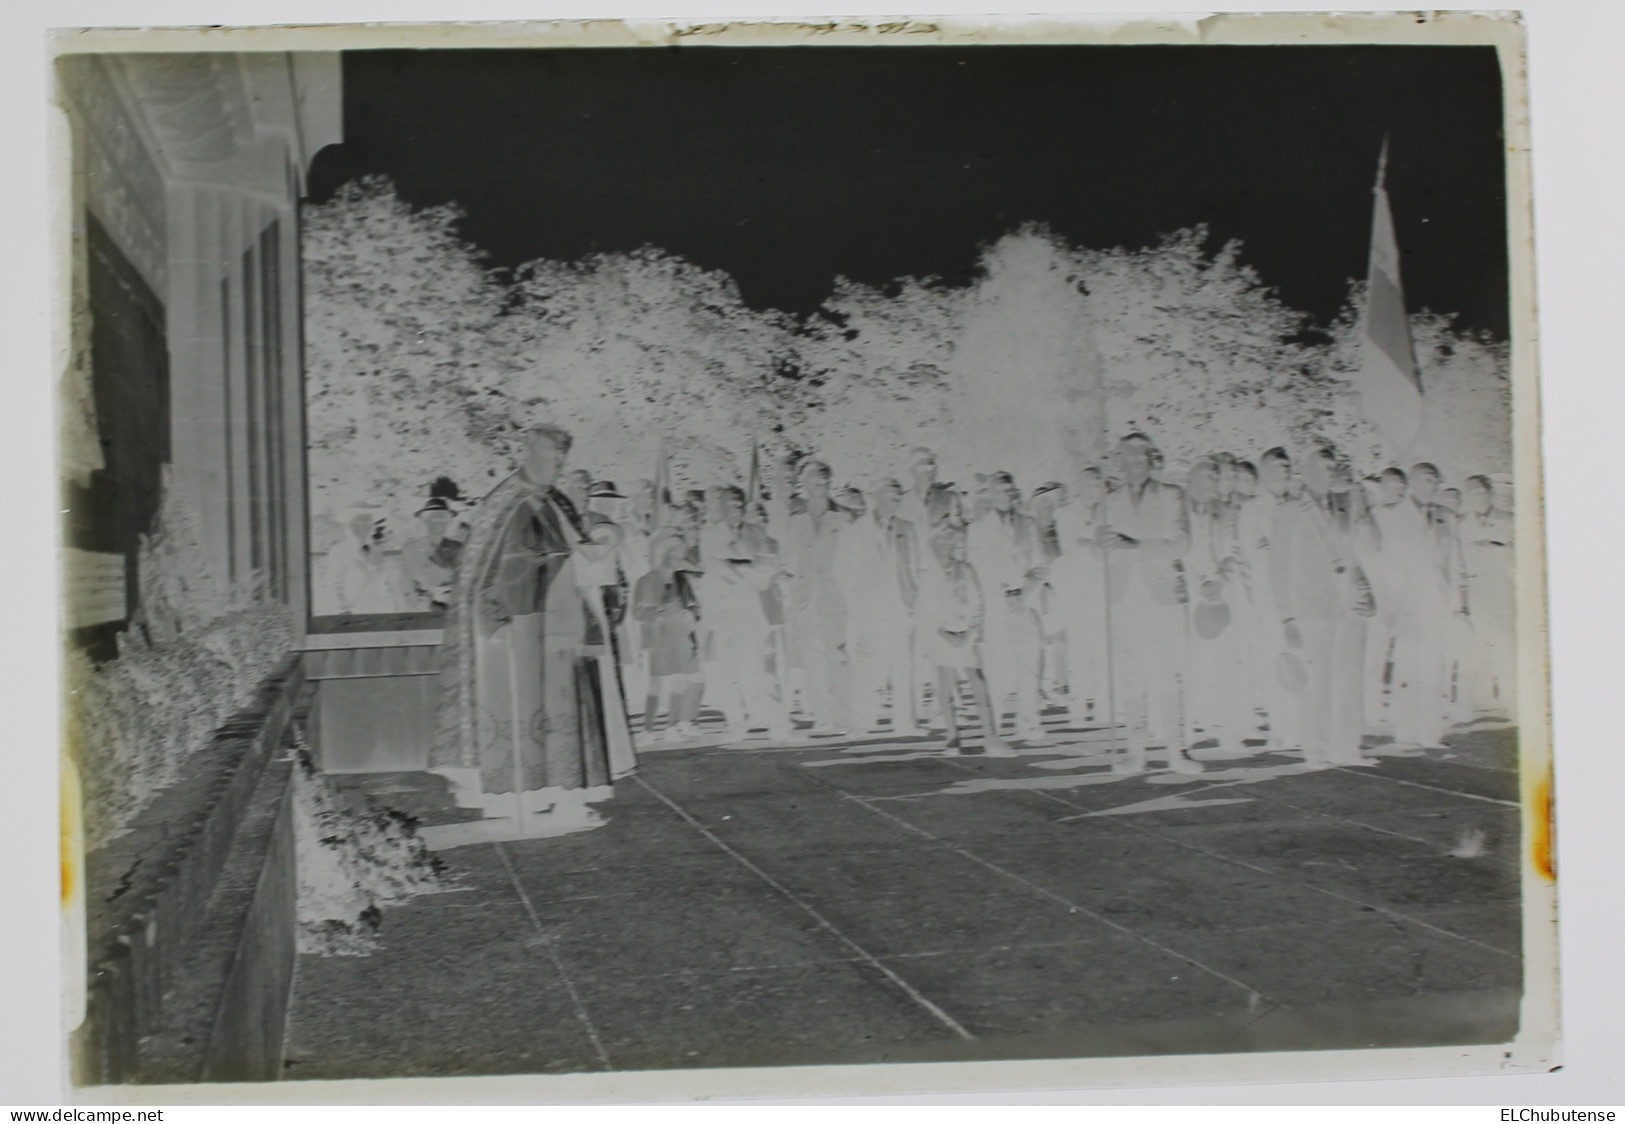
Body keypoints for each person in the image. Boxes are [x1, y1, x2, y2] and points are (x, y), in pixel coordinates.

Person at [430, 424, 628, 833]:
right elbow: (474, 569)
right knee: (517, 715)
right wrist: (490, 617)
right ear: (528, 453)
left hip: (561, 623)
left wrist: (607, 541)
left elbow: (582, 549)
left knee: (562, 714)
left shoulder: (555, 500)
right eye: (551, 457)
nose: (557, 466)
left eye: (561, 459)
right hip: (517, 628)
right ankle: (513, 800)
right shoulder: (502, 502)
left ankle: (566, 799)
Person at [1097, 433, 1200, 774]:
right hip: (1125, 598)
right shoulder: (1108, 500)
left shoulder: (1171, 495)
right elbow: (1103, 547)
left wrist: (1136, 545)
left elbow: (1182, 543)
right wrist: (1102, 545)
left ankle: (1175, 750)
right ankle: (1135, 751)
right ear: (1120, 462)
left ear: (1151, 459)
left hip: (1160, 598)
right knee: (1131, 675)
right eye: (1127, 458)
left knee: (1165, 674)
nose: (1134, 464)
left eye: (1141, 457)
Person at [1269, 445, 1375, 767]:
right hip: (1312, 606)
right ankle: (1316, 748)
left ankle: (1346, 748)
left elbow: (1359, 552)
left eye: (1332, 469)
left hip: (1347, 604)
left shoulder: (1344, 506)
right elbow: (1280, 567)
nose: (1329, 475)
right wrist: (1287, 617)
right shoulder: (1290, 510)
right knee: (1319, 681)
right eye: (1322, 469)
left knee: (1348, 678)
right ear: (1306, 471)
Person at [697, 485, 788, 740]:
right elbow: (716, 567)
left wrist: (744, 566)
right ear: (722, 507)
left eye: (740, 504)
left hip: (754, 610)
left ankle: (779, 725)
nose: (737, 510)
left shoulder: (756, 532)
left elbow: (769, 567)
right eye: (731, 505)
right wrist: (749, 566)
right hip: (725, 612)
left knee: (763, 669)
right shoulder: (710, 534)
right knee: (728, 670)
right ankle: (736, 723)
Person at [917, 522, 1015, 757]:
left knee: (978, 684)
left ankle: (991, 737)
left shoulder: (966, 569)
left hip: (965, 634)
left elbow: (977, 602)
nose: (946, 547)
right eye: (941, 541)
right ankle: (952, 737)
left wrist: (969, 632)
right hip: (941, 636)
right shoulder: (927, 574)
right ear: (933, 545)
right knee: (945, 685)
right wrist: (944, 634)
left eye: (951, 541)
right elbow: (925, 610)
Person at [967, 471, 1050, 745]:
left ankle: (1029, 723)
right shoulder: (977, 529)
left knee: (1029, 663)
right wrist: (1004, 594)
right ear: (989, 495)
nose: (1008, 494)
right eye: (1001, 490)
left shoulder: (1029, 524)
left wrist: (1023, 591)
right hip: (996, 606)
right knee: (998, 665)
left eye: (1011, 490)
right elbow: (976, 571)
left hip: (1025, 605)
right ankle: (997, 724)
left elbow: (1041, 565)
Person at [836, 478, 920, 733]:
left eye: (899, 496)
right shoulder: (856, 530)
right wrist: (858, 603)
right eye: (891, 496)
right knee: (867, 666)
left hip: (899, 608)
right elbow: (841, 570)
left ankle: (905, 723)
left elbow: (915, 566)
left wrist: (913, 601)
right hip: (868, 611)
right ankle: (862, 722)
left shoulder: (907, 528)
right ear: (877, 497)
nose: (896, 501)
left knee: (902, 665)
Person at [1182, 457, 1254, 754]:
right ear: (1192, 481)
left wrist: (1219, 582)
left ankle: (1230, 731)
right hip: (1186, 593)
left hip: (1221, 594)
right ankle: (1184, 732)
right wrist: (1198, 582)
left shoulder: (1225, 513)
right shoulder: (1177, 510)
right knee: (1189, 664)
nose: (1215, 482)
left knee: (1227, 664)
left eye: (1218, 477)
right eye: (1210, 477)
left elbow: (1231, 553)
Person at [781, 459, 852, 735]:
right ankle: (823, 719)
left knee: (839, 658)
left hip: (836, 599)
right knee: (812, 660)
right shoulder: (795, 522)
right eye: (813, 483)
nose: (819, 488)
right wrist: (795, 592)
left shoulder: (844, 517)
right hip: (805, 600)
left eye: (824, 482)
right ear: (804, 486)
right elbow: (787, 561)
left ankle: (845, 718)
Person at [633, 529, 706, 742]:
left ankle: (672, 726)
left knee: (680, 681)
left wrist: (689, 614)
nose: (677, 559)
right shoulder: (646, 580)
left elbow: (696, 608)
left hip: (680, 636)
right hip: (658, 638)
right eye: (673, 554)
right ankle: (647, 728)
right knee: (656, 682)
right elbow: (637, 612)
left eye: (680, 555)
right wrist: (658, 613)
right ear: (662, 554)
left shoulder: (682, 581)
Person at [1049, 468, 1107, 727]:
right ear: (1081, 486)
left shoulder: (1106, 512)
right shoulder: (1065, 513)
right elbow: (1072, 547)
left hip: (1101, 589)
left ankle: (1104, 705)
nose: (1098, 489)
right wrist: (1093, 546)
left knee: (1101, 647)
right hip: (1078, 591)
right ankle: (1078, 706)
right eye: (1093, 484)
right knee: (1079, 649)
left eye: (1100, 485)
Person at [1461, 474, 1515, 719]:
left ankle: (1512, 699)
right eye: (1472, 494)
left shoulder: (1509, 519)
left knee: (1505, 643)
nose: (1478, 498)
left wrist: (1494, 548)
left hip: (1502, 590)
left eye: (1482, 492)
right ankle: (1481, 699)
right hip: (1474, 592)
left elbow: (1521, 552)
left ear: (1490, 493)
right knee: (1476, 645)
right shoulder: (1460, 524)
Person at [399, 496, 466, 611]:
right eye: (433, 517)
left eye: (443, 517)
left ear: (448, 521)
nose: (439, 522)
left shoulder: (457, 548)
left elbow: (465, 580)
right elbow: (407, 584)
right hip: (424, 608)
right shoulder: (411, 548)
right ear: (425, 521)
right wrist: (425, 603)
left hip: (454, 607)